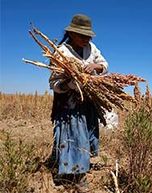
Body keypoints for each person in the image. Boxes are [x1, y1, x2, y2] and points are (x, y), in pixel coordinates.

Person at [48, 14, 108, 189]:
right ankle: (77, 175)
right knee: (74, 137)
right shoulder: (61, 52)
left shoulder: (92, 48)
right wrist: (69, 81)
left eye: (88, 35)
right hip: (69, 104)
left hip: (87, 102)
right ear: (72, 33)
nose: (86, 39)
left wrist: (95, 67)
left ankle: (64, 170)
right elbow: (54, 83)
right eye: (82, 35)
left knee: (84, 136)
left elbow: (104, 64)